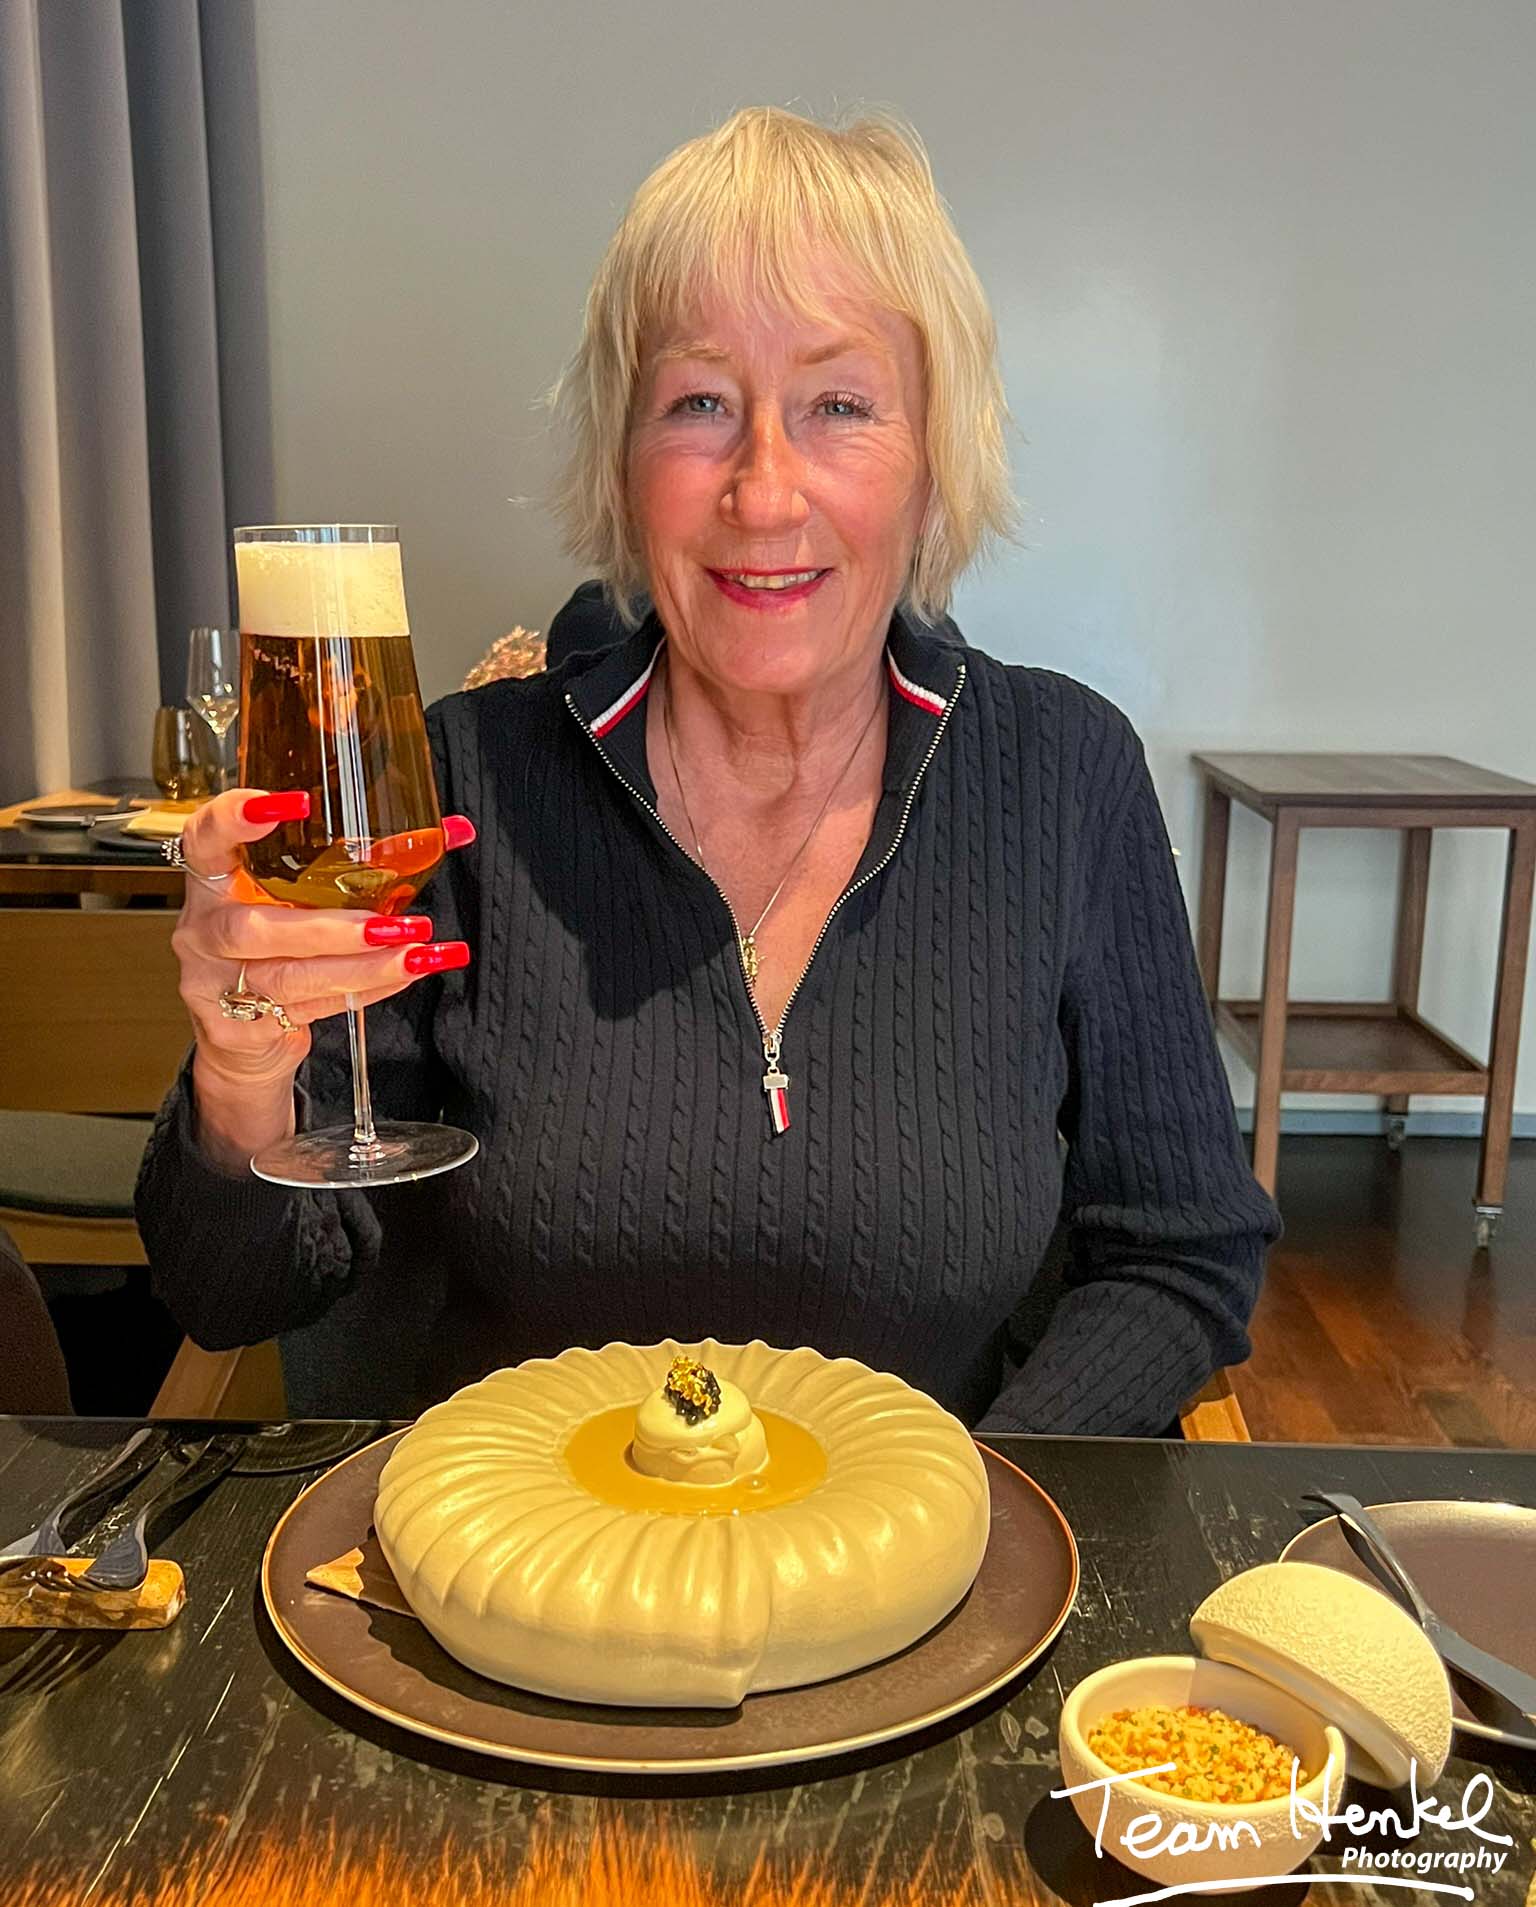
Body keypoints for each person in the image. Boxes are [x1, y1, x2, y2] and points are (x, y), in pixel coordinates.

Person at [137, 106, 1279, 1430]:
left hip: (937, 1545)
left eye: (839, 406)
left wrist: (972, 1495)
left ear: (933, 462)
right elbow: (233, 1293)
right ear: (623, 468)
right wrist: (240, 1082)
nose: (764, 491)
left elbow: (1180, 1255)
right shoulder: (461, 784)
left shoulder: (1066, 774)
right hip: (509, 1545)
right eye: (699, 406)